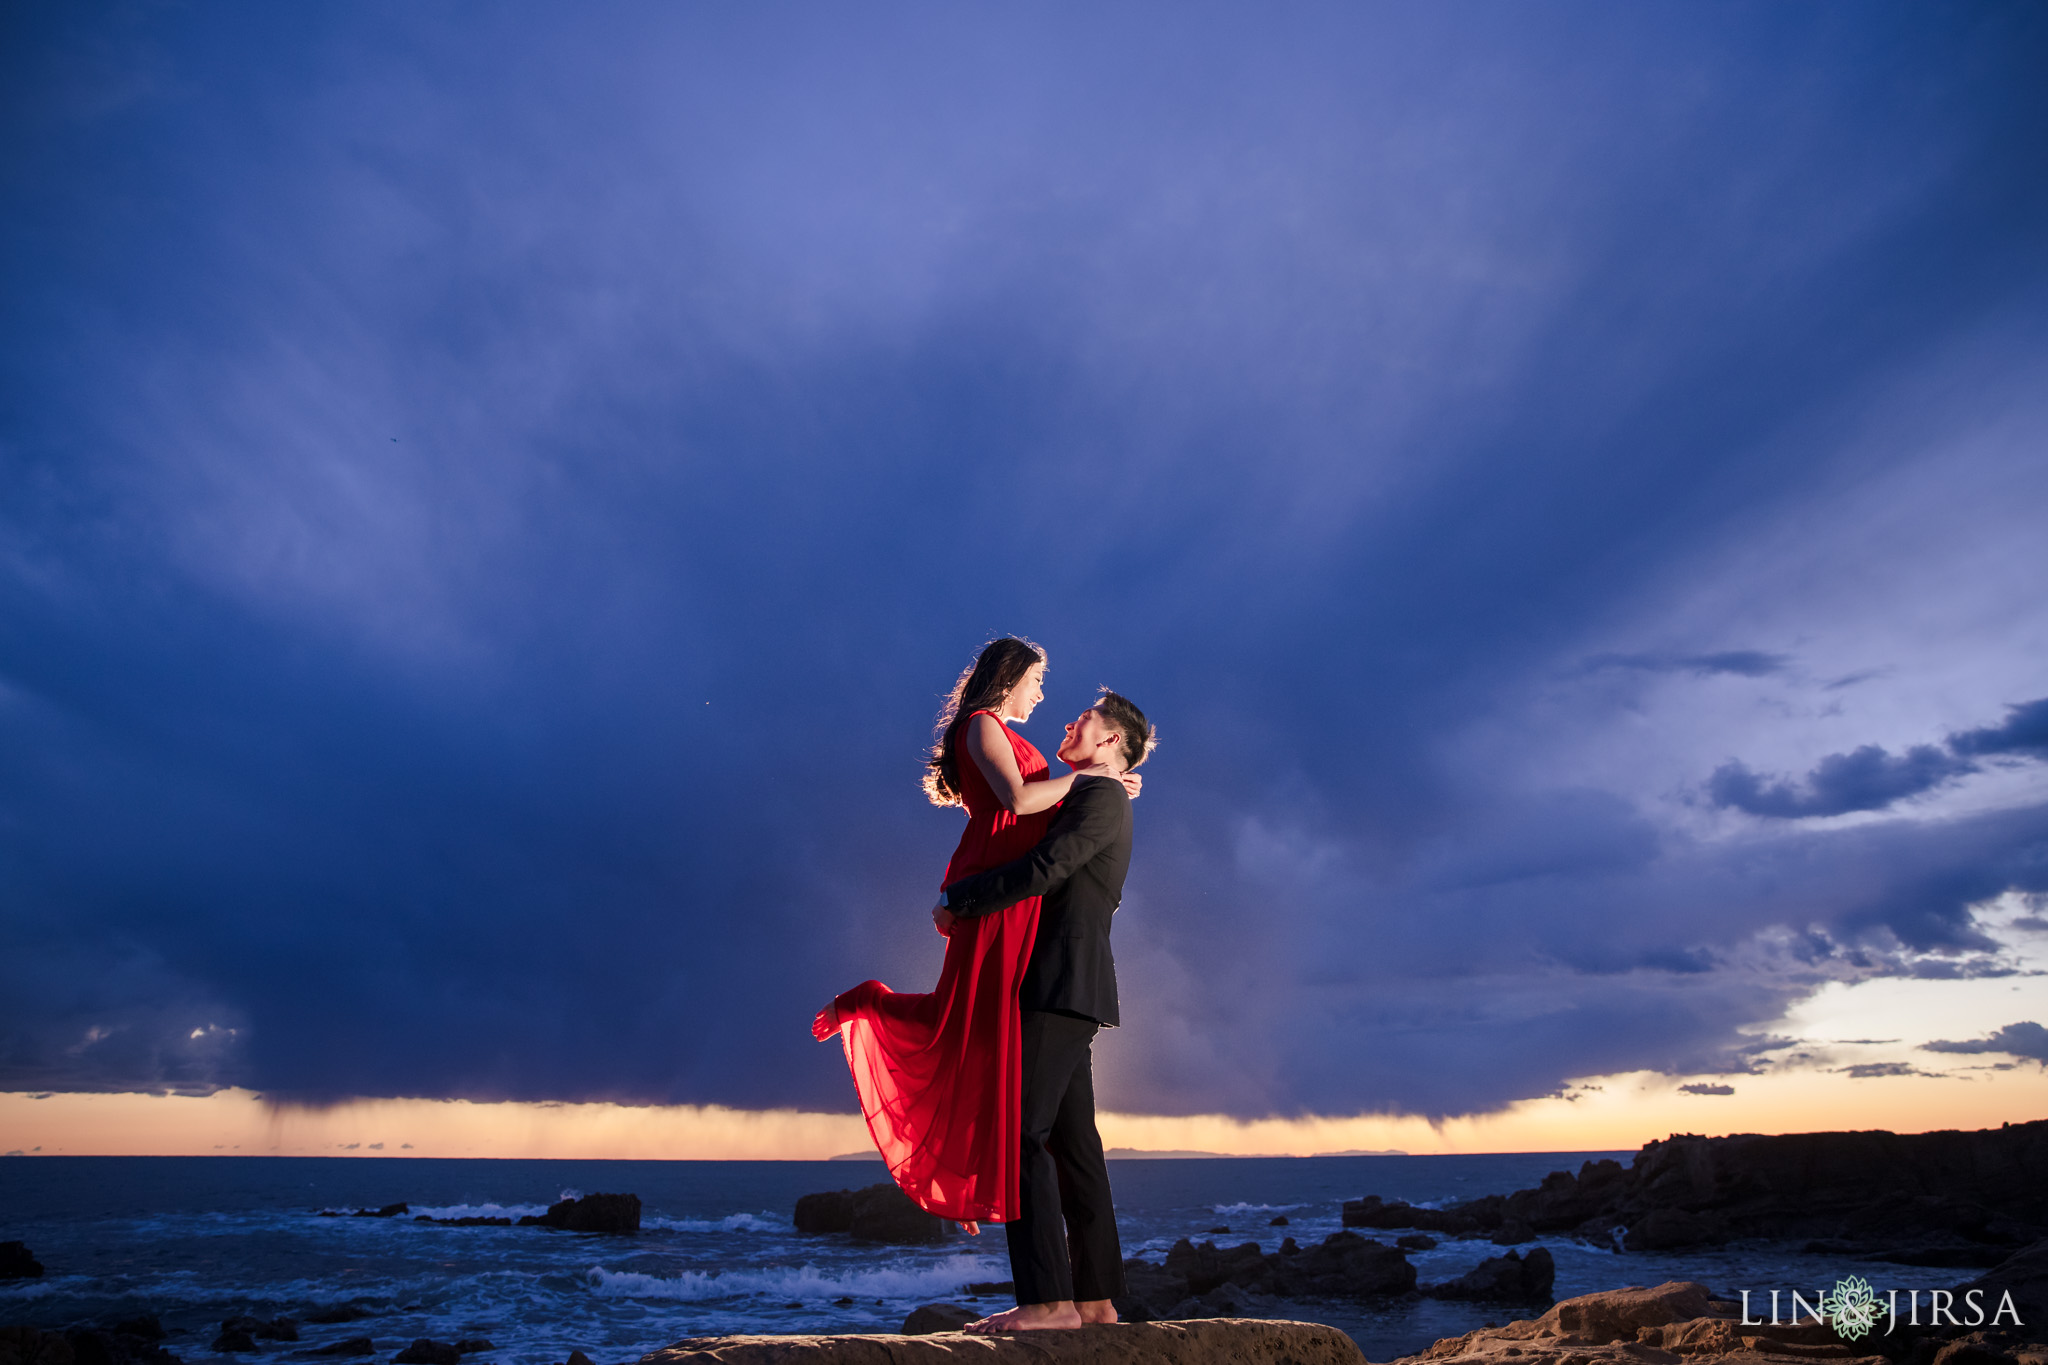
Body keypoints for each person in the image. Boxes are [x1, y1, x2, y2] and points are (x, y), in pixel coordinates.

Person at [812, 639, 1138, 1233]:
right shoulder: (981, 724)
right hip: (992, 886)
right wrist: (1094, 779)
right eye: (1037, 681)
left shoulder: (1023, 742)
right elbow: (1017, 800)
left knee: (989, 1033)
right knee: (961, 1021)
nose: (1043, 695)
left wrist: (1101, 785)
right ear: (1009, 676)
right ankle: (871, 1003)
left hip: (1013, 896)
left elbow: (1046, 820)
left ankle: (969, 1170)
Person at [936, 690, 1156, 1333]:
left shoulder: (1100, 794)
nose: (1069, 722)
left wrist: (962, 897)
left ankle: (1048, 1303)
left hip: (1058, 982)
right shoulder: (1102, 791)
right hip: (1073, 986)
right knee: (1071, 1143)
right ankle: (1094, 1301)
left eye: (1083, 720)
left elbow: (1048, 864)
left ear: (1111, 740)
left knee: (1021, 1135)